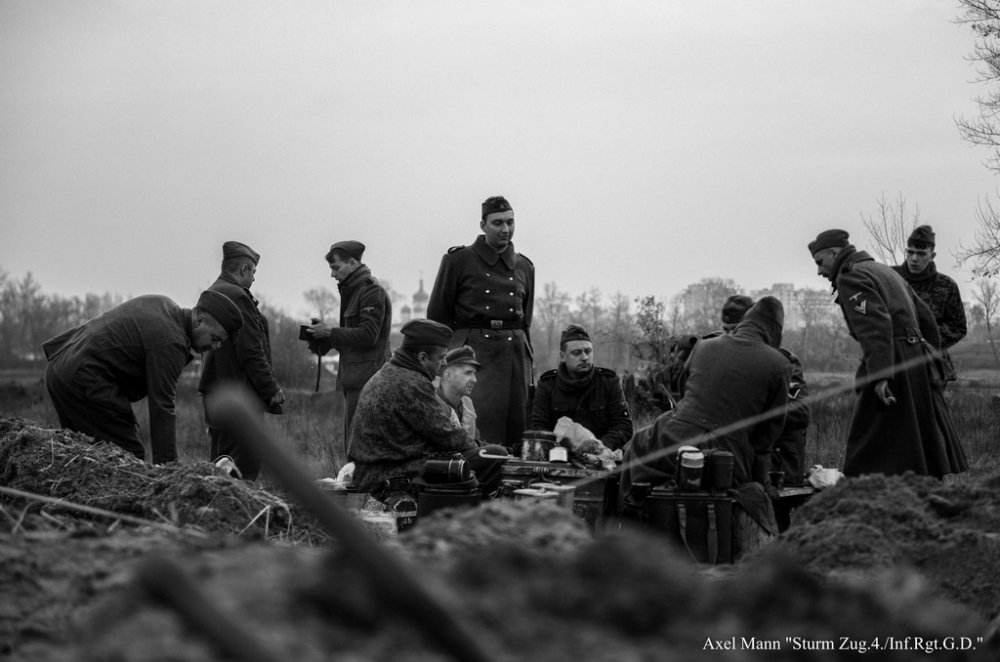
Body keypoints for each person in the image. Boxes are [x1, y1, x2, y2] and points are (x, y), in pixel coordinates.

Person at [809, 229, 967, 478]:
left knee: (870, 438)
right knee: (914, 435)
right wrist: (930, 360)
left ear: (835, 253)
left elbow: (875, 326)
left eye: (820, 262)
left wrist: (881, 375)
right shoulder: (883, 271)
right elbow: (925, 317)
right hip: (915, 359)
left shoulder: (851, 277)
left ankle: (864, 491)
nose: (819, 271)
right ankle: (921, 487)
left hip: (893, 361)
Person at [43, 291, 243, 465]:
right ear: (198, 319)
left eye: (219, 343)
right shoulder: (171, 341)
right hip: (83, 377)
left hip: (59, 367)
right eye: (215, 338)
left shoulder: (164, 304)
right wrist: (168, 470)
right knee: (127, 456)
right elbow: (162, 406)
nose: (214, 347)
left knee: (83, 451)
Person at [619, 297, 790, 500]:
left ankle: (625, 512)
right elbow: (766, 437)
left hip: (672, 439)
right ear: (775, 332)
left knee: (636, 446)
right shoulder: (780, 365)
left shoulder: (704, 346)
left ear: (745, 321)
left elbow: (683, 389)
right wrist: (764, 483)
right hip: (726, 458)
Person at [348, 319, 508, 498]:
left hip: (374, 473)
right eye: (441, 357)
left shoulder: (388, 373)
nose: (444, 363)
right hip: (390, 477)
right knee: (495, 456)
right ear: (422, 358)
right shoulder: (411, 382)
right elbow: (446, 436)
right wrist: (483, 449)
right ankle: (461, 512)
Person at [427, 195, 535, 451]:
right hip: (473, 355)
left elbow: (524, 322)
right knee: (474, 424)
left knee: (516, 428)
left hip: (514, 358)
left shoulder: (525, 266)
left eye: (510, 222)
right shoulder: (458, 260)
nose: (505, 229)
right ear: (482, 225)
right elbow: (437, 316)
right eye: (497, 223)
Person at [198, 241, 284, 480]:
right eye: (253, 272)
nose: (254, 278)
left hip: (215, 393)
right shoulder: (237, 296)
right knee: (241, 469)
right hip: (239, 396)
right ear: (244, 269)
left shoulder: (213, 291)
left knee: (220, 465)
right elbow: (250, 349)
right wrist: (271, 388)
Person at [308, 240, 392, 455]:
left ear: (353, 263)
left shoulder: (370, 291)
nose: (332, 274)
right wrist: (324, 338)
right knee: (354, 445)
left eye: (336, 268)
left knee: (361, 446)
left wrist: (331, 332)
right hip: (356, 377)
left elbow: (368, 335)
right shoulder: (354, 291)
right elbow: (353, 337)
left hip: (367, 380)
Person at [530, 324, 633, 451]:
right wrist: (560, 449)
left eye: (588, 351)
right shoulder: (548, 384)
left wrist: (599, 447)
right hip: (559, 454)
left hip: (602, 453)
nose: (584, 357)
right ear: (562, 356)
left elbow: (623, 425)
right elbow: (538, 427)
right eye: (576, 353)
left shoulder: (609, 382)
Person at [891, 225, 968, 384]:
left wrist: (925, 340)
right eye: (910, 252)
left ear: (932, 255)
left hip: (931, 366)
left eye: (921, 254)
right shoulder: (890, 278)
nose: (914, 258)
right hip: (893, 361)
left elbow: (958, 327)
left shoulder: (946, 286)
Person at [435, 345, 481, 443]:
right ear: (448, 375)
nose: (474, 380)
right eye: (468, 373)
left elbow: (476, 442)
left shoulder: (467, 404)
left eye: (474, 374)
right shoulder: (432, 403)